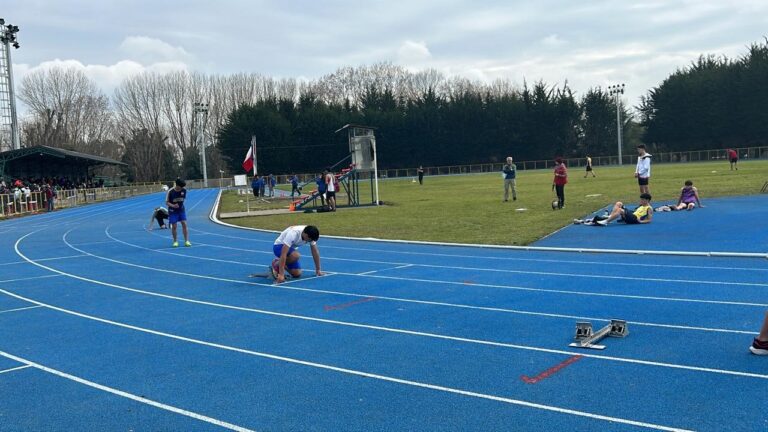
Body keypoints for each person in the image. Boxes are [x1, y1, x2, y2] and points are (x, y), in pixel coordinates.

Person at [166, 178, 191, 247]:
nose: (182, 188)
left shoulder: (184, 190)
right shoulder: (170, 191)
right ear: (177, 185)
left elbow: (183, 199)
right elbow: (167, 202)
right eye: (181, 186)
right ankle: (175, 241)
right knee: (174, 226)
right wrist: (173, 205)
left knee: (184, 224)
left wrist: (180, 205)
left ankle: (187, 241)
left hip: (181, 210)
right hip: (172, 211)